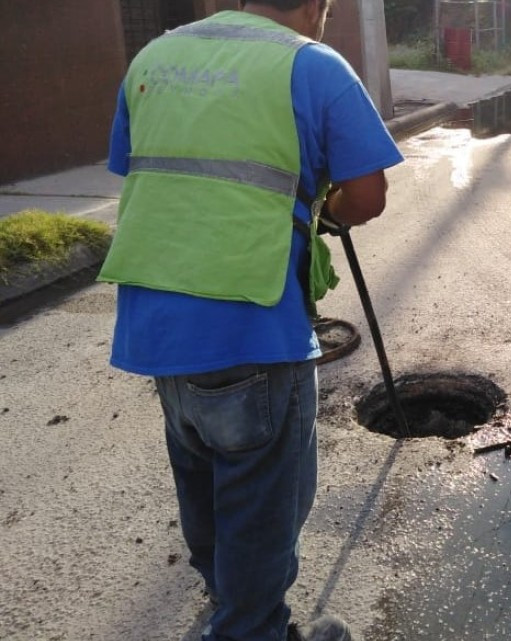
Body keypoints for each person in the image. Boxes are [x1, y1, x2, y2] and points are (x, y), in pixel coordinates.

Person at [97, 0, 403, 639]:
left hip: (155, 329)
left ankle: (233, 607)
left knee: (207, 495)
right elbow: (367, 196)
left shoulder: (153, 57)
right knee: (264, 510)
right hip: (252, 331)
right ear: (316, 5)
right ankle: (250, 626)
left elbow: (147, 174)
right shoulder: (313, 65)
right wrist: (324, 213)